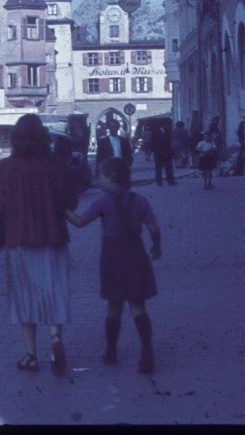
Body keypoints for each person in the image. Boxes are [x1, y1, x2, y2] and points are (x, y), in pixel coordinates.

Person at [0, 114, 79, 375]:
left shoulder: (5, 168)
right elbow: (71, 202)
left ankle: (30, 354)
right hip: (54, 238)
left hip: (20, 240)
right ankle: (54, 338)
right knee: (54, 291)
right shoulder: (56, 166)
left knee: (25, 296)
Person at [65, 157, 161, 374]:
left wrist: (62, 209)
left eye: (101, 176)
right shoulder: (140, 200)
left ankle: (111, 351)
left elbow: (79, 222)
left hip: (112, 257)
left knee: (114, 304)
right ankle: (147, 350)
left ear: (112, 178)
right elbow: (153, 229)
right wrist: (157, 246)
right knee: (137, 305)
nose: (98, 180)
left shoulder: (102, 202)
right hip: (136, 254)